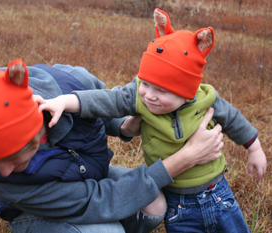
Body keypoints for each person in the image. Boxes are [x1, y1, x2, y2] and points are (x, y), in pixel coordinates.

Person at [37, 9, 267, 233]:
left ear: (187, 93)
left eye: (161, 90)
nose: (149, 94)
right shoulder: (138, 96)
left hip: (218, 193)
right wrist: (65, 102)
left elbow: (234, 119)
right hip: (177, 203)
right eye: (146, 83)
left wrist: (254, 148)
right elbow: (104, 100)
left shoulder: (206, 98)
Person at [0, 58, 224, 233]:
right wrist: (185, 158)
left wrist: (122, 124)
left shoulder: (70, 83)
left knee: (155, 206)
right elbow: (96, 199)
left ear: (39, 123)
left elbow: (102, 105)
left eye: (12, 158)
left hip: (86, 175)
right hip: (38, 208)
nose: (4, 172)